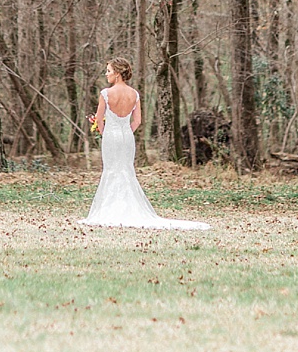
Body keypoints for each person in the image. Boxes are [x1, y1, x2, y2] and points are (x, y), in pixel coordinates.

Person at [80, 59, 209, 230]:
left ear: (117, 73)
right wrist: (126, 131)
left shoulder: (105, 93)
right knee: (126, 170)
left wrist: (106, 133)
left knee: (111, 170)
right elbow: (138, 121)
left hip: (111, 137)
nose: (106, 74)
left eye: (109, 70)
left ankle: (110, 210)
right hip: (127, 137)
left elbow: (99, 120)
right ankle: (128, 208)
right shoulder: (135, 94)